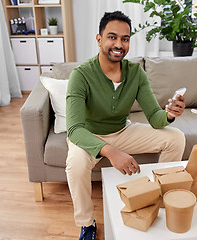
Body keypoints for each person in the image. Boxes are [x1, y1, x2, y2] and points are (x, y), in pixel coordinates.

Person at [65, 11, 186, 240]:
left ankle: (161, 198)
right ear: (99, 39)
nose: (119, 44)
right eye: (112, 37)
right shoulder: (80, 75)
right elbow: (75, 130)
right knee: (76, 164)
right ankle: (87, 224)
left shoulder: (135, 73)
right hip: (88, 135)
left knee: (175, 137)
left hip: (122, 130)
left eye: (125, 39)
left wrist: (169, 115)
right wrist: (112, 153)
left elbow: (154, 116)